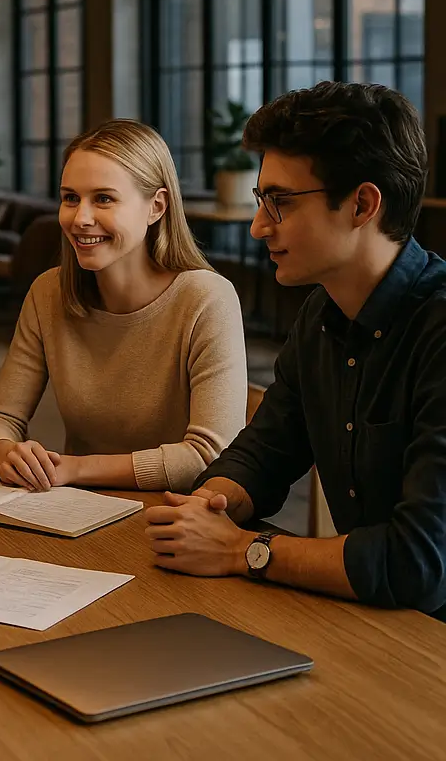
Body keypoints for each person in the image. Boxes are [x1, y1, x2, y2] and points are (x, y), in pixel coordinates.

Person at [144, 82, 446, 620]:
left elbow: (418, 562)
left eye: (280, 203)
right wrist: (212, 504)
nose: (258, 226)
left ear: (362, 204)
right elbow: (266, 450)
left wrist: (242, 551)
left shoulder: (437, 330)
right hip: (371, 622)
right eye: (261, 200)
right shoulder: (321, 314)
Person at [0, 120, 247, 494]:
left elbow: (209, 457)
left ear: (156, 206)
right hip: (75, 509)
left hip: (175, 515)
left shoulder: (207, 299)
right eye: (70, 198)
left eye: (103, 199)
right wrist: (6, 453)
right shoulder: (48, 292)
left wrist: (75, 469)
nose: (80, 218)